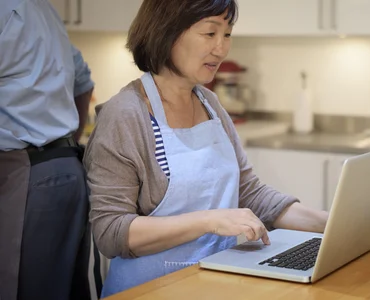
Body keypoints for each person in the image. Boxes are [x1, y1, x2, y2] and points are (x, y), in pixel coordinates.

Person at [82, 0, 329, 297]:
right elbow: (111, 232)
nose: (221, 49)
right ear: (167, 32)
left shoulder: (209, 104)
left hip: (213, 283)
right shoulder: (126, 115)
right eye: (210, 33)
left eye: (227, 34)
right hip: (149, 290)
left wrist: (332, 224)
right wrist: (210, 221)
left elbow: (249, 192)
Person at [0, 0, 96, 299]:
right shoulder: (42, 9)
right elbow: (83, 83)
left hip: (25, 176)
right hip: (65, 168)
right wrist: (65, 139)